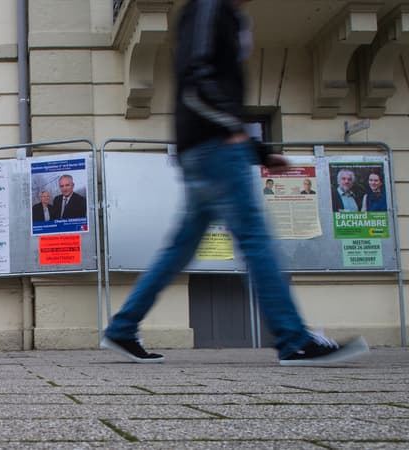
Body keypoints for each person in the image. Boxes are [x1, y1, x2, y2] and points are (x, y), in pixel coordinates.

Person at [99, 0, 368, 366]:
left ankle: (123, 327)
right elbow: (199, 74)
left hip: (205, 146)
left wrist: (257, 150)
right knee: (255, 239)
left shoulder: (215, 11)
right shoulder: (211, 7)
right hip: (214, 148)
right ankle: (293, 339)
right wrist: (231, 129)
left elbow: (205, 80)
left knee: (178, 249)